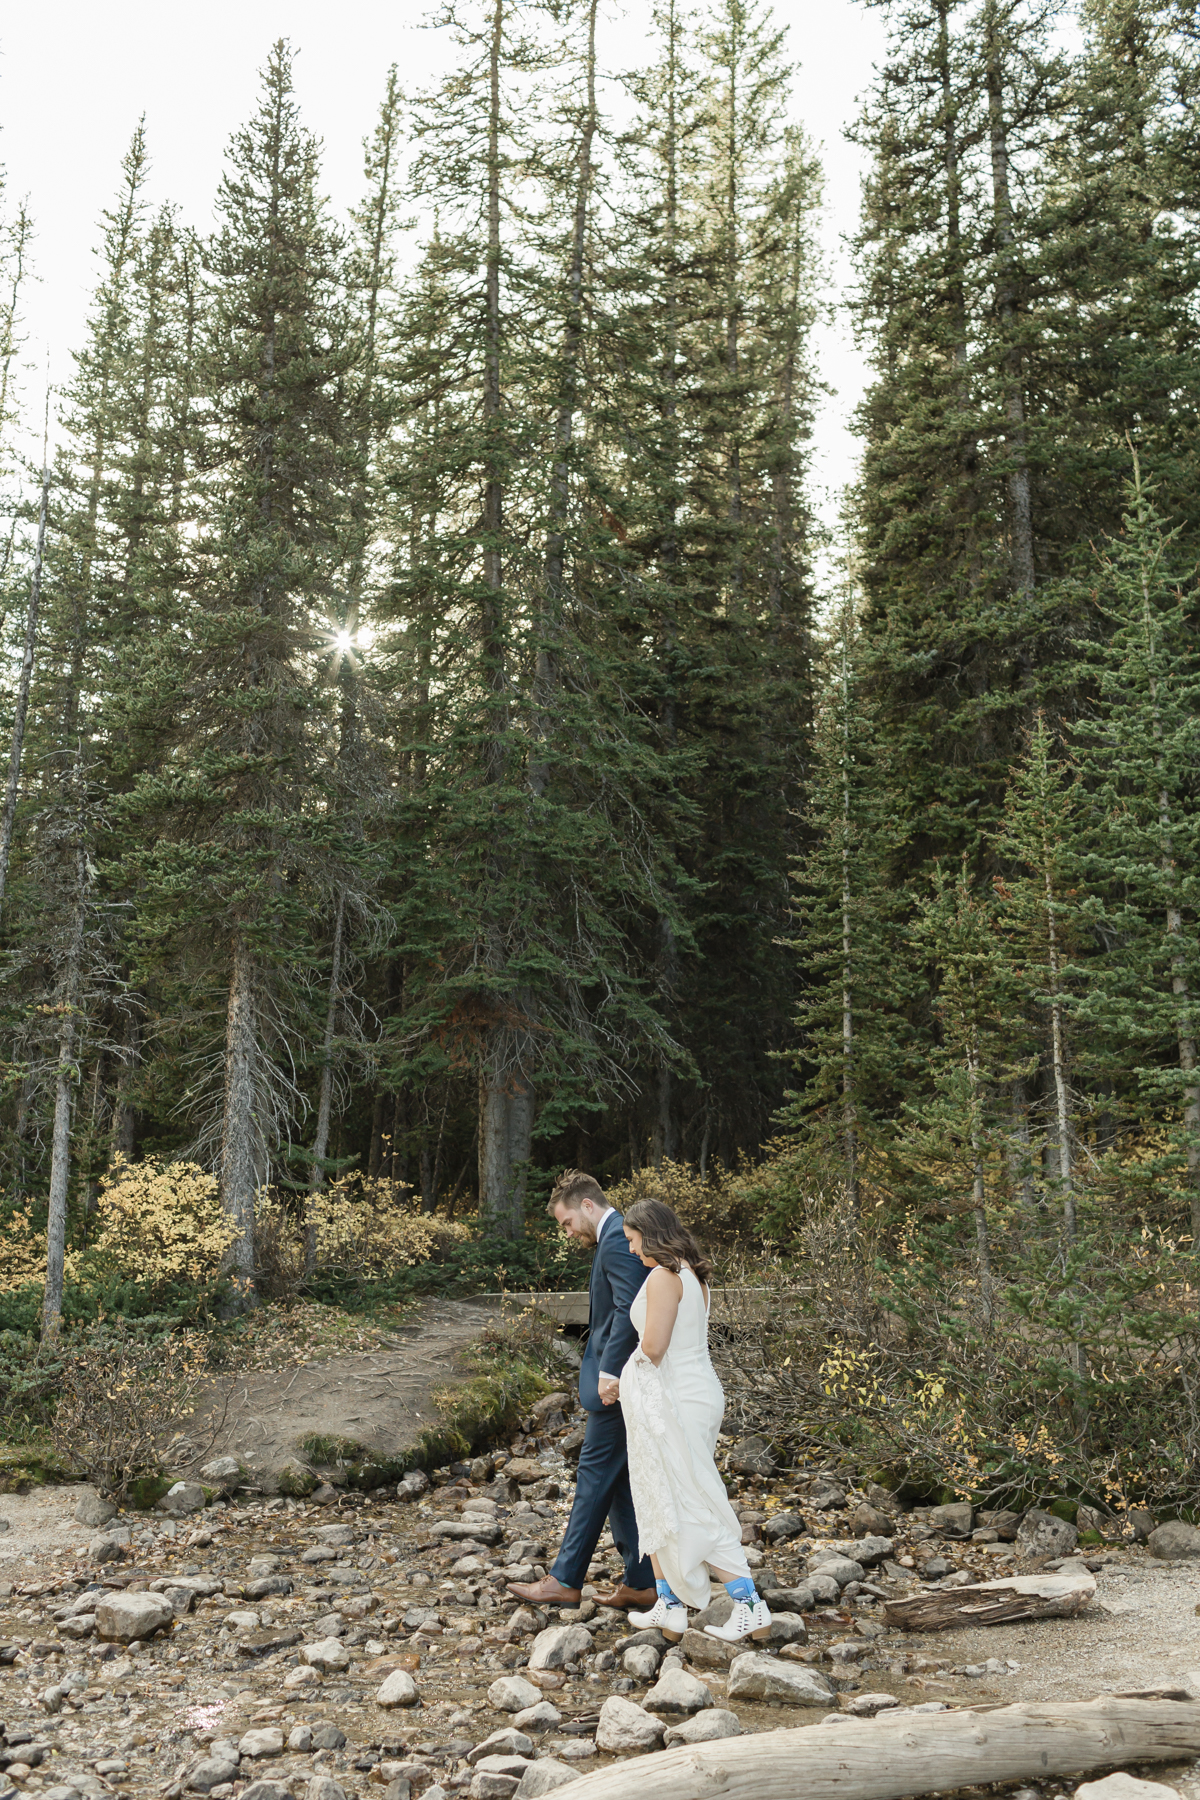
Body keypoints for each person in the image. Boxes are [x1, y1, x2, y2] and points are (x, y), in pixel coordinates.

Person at [614, 1197, 772, 1644]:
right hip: (691, 1392)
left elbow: (654, 1347)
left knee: (689, 1500)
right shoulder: (690, 1275)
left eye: (632, 1240)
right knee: (663, 1495)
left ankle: (749, 1605)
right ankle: (669, 1606)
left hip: (678, 1398)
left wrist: (619, 1377)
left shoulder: (665, 1277)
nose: (630, 1250)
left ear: (651, 1233)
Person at [505, 1169, 656, 1611]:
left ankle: (565, 1579)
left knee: (593, 1476)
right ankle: (643, 1580)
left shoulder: (617, 1241)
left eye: (566, 1222)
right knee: (618, 1480)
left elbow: (631, 1310)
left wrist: (609, 1373)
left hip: (618, 1385)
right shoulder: (615, 1238)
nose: (566, 1232)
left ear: (587, 1206)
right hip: (620, 1383)